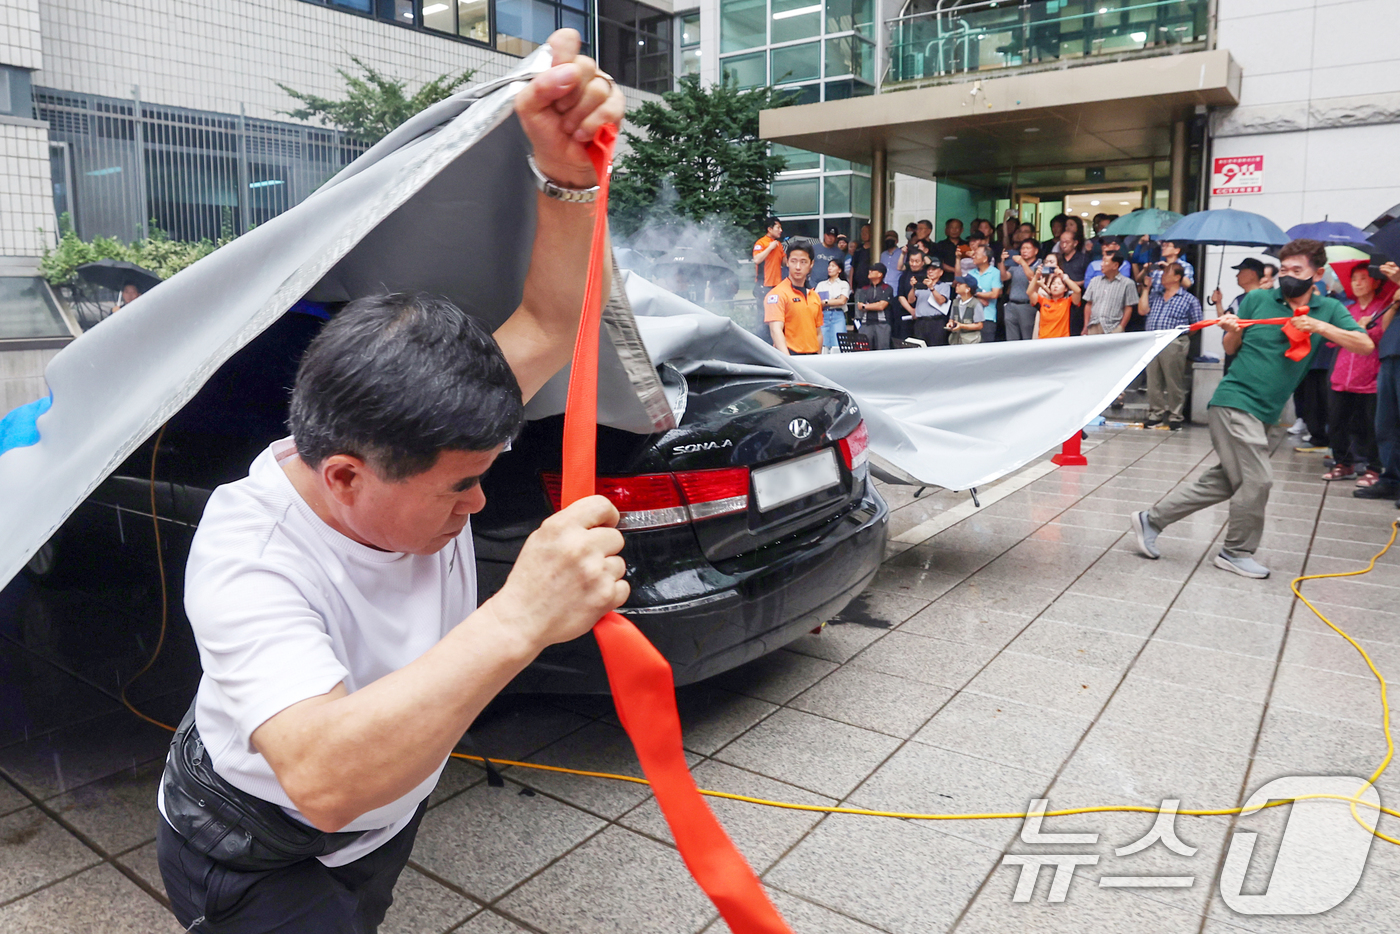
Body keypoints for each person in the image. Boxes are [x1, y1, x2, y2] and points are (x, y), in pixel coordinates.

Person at [154, 30, 627, 933]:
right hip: (257, 851)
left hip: (381, 821)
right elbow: (324, 778)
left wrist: (566, 175)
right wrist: (524, 613)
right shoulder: (248, 550)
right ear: (344, 475)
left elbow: (548, 319)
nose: (481, 502)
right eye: (460, 488)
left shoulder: (423, 427)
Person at [1133, 239, 1374, 578]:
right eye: (1284, 269)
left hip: (1265, 411)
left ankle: (1151, 519)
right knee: (1258, 480)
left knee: (1224, 481)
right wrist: (1230, 331)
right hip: (1235, 400)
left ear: (1317, 273)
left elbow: (1364, 344)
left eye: (1297, 270)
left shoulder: (1329, 310)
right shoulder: (1258, 300)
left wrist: (1318, 326)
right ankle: (1235, 552)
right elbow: (1232, 346)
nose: (1289, 276)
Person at [1323, 265, 1389, 483]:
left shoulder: (1384, 309)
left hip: (1370, 375)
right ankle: (1343, 463)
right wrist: (1351, 330)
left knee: (1370, 425)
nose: (1358, 283)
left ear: (1376, 282)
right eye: (1354, 279)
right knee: (1336, 422)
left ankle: (1374, 467)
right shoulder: (1346, 310)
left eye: (1363, 278)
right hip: (1342, 374)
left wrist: (1365, 330)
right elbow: (1332, 339)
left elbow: (1383, 339)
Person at [1356, 261, 1400, 503]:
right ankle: (1391, 479)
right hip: (1391, 354)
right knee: (1386, 425)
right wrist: (1395, 303)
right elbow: (1385, 326)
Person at [1139, 261, 1202, 429]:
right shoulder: (1156, 296)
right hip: (1153, 340)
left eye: (1167, 273)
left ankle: (1176, 415)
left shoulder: (1188, 299)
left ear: (1177, 277)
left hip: (1174, 342)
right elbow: (1142, 310)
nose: (1163, 276)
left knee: (1174, 381)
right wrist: (1146, 289)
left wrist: (1179, 338)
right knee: (1153, 380)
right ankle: (1156, 414)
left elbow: (1197, 324)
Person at [764, 239, 824, 355]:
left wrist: (819, 358)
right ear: (787, 262)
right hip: (791, 356)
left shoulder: (814, 296)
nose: (798, 267)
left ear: (811, 264)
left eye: (803, 262)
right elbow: (775, 330)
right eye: (793, 261)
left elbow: (818, 333)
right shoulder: (777, 294)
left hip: (812, 358)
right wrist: (789, 362)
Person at [1081, 252, 1137, 334]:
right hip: (1093, 326)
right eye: (1102, 261)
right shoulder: (1094, 281)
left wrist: (1121, 327)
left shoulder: (1128, 283)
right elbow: (1089, 304)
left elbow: (1128, 307)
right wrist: (1086, 326)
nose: (1101, 264)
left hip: (1113, 327)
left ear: (1115, 265)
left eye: (1105, 262)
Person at [1026, 259, 1080, 339]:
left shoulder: (1068, 302)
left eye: (1059, 284)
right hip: (1043, 341)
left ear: (1065, 289)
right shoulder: (1043, 301)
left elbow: (1077, 291)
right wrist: (1036, 276)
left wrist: (1063, 277)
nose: (1055, 286)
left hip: (1062, 342)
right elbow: (1029, 292)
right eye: (1053, 284)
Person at [902, 259, 950, 347]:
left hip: (935, 321)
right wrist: (913, 287)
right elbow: (911, 300)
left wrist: (932, 288)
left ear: (941, 272)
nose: (930, 271)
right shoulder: (921, 285)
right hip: (920, 322)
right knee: (919, 347)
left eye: (934, 269)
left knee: (935, 348)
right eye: (928, 269)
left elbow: (941, 301)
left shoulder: (944, 286)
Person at [1001, 238, 1041, 341]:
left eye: (1027, 248)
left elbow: (1032, 278)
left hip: (1027, 306)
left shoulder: (1040, 265)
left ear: (1035, 251)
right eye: (1022, 248)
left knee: (1027, 338)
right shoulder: (1016, 266)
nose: (1024, 251)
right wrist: (1001, 261)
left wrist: (1023, 263)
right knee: (1011, 339)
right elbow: (1004, 277)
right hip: (1011, 305)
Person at [815, 258, 852, 354]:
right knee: (823, 345)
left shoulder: (844, 284)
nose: (830, 268)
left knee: (838, 345)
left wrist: (826, 302)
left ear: (839, 270)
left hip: (838, 315)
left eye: (833, 266)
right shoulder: (821, 284)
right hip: (823, 315)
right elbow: (815, 302)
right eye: (829, 266)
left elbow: (842, 301)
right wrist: (834, 300)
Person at [855, 261, 895, 350]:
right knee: (863, 350)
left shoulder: (887, 288)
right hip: (866, 323)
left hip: (882, 323)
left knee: (883, 350)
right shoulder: (864, 289)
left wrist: (866, 306)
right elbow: (860, 306)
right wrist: (875, 305)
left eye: (873, 270)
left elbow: (881, 306)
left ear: (880, 274)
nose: (870, 271)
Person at [969, 243, 1002, 341]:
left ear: (985, 258)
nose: (973, 256)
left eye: (977, 254)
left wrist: (975, 294)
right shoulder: (971, 273)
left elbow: (995, 294)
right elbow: (965, 293)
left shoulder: (995, 272)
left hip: (987, 316)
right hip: (970, 316)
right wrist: (979, 299)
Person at [752, 216, 785, 314]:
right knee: (763, 315)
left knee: (776, 313)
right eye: (778, 228)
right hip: (764, 284)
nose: (780, 230)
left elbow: (784, 262)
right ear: (769, 229)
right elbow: (757, 259)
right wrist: (770, 248)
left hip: (777, 285)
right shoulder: (761, 242)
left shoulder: (779, 244)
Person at [946, 275, 986, 345]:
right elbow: (951, 319)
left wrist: (961, 326)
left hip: (971, 341)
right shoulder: (955, 302)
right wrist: (950, 324)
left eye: (960, 284)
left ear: (968, 289)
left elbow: (979, 325)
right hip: (955, 340)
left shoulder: (975, 303)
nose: (957, 285)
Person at [879, 230, 905, 300]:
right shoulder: (883, 255)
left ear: (896, 241)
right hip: (883, 289)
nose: (888, 241)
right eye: (887, 239)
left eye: (891, 239)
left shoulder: (902, 254)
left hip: (896, 289)